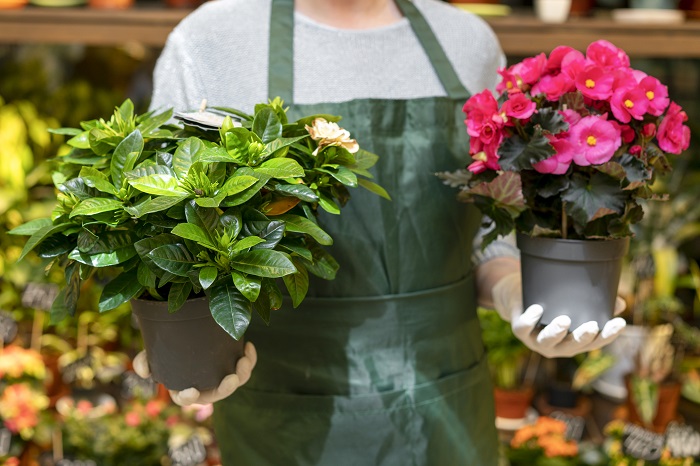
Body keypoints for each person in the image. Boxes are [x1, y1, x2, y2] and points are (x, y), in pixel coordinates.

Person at [137, 0, 627, 464]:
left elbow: (486, 228)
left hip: (445, 401)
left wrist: (515, 293)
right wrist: (194, 350)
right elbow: (168, 226)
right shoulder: (211, 41)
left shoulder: (465, 42)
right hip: (287, 408)